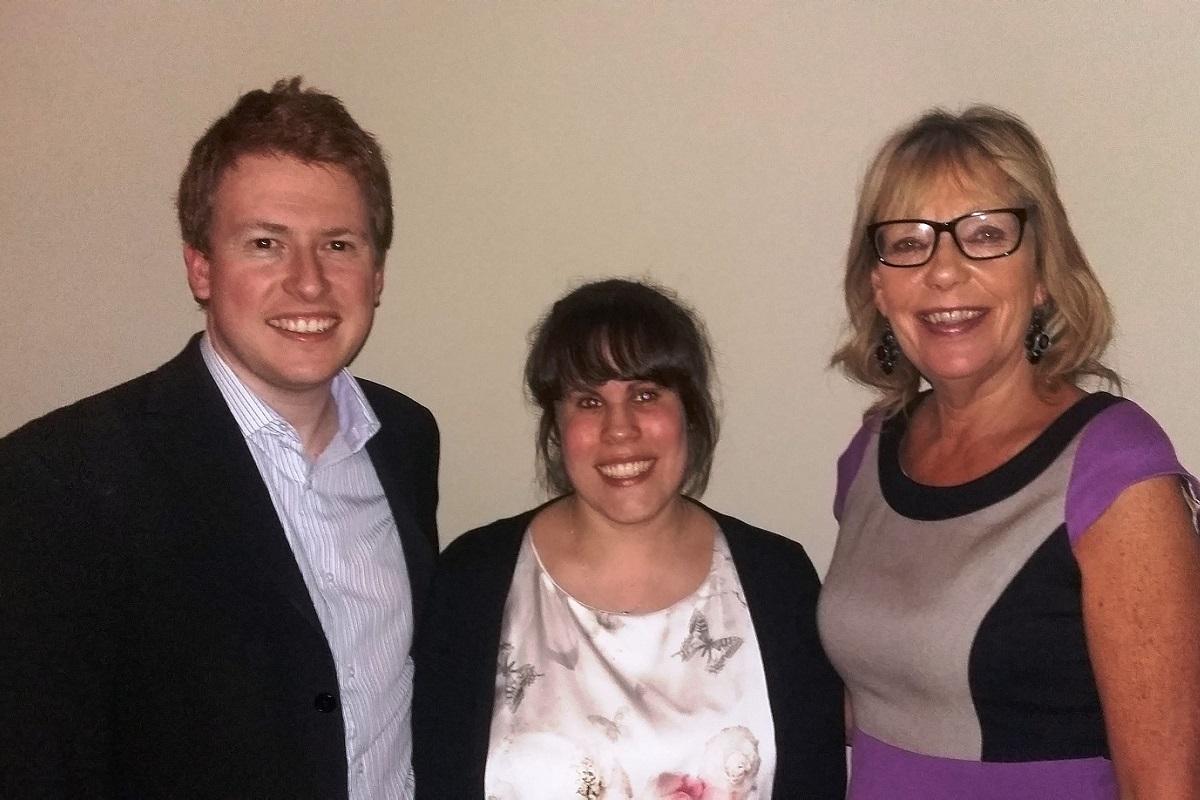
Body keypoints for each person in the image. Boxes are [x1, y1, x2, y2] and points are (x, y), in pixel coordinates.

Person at [0, 77, 438, 799]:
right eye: (265, 243)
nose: (308, 283)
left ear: (378, 273)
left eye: (338, 244)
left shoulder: (407, 441)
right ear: (201, 267)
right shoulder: (57, 483)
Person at [819, 106, 1200, 799]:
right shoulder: (872, 454)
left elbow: (1165, 787)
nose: (943, 273)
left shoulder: (1114, 468)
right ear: (880, 287)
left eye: (986, 236)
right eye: (908, 244)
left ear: (1042, 272)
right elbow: (879, 692)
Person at [413, 278, 845, 799]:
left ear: (689, 411)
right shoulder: (472, 580)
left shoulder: (779, 579)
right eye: (589, 402)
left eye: (645, 394)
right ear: (556, 425)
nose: (620, 429)